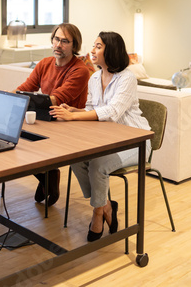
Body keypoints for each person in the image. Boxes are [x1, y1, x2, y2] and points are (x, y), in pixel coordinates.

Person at [50, 31, 151, 242]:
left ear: (111, 51)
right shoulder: (95, 77)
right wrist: (74, 111)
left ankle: (97, 213)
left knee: (97, 165)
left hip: (135, 142)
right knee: (76, 159)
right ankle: (105, 205)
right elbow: (90, 108)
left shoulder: (127, 78)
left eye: (98, 47)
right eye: (94, 45)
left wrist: (73, 117)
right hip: (107, 140)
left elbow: (112, 112)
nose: (92, 50)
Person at [13, 23, 90, 206]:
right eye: (56, 39)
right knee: (14, 140)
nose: (58, 45)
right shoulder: (45, 63)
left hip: (68, 126)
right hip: (46, 120)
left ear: (74, 45)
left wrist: (24, 98)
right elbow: (25, 89)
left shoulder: (80, 70)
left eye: (65, 41)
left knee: (25, 142)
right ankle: (47, 175)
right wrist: (9, 96)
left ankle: (49, 172)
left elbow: (55, 100)